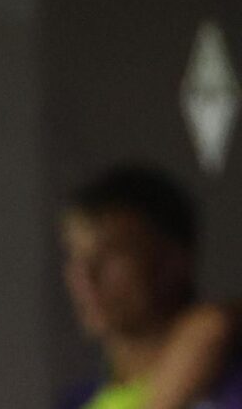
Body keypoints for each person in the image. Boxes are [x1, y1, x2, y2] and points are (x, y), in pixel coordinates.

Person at [57, 163, 242, 409]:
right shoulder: (74, 402)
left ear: (173, 261)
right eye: (74, 255)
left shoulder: (230, 385)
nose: (86, 276)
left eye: (112, 254)